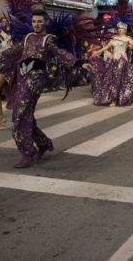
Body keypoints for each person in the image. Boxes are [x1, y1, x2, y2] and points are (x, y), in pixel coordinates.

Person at [9, 10, 92, 168]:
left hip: (36, 79)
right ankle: (43, 143)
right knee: (25, 116)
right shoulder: (27, 37)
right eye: (34, 21)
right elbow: (14, 52)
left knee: (19, 116)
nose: (36, 24)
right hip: (23, 77)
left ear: (45, 22)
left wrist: (79, 63)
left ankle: (28, 153)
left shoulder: (48, 39)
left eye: (40, 21)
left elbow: (60, 53)